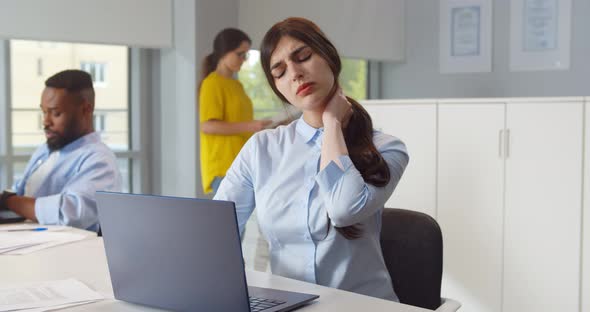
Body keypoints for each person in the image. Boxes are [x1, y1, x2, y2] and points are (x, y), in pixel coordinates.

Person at [214, 18, 409, 301]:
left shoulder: (387, 148)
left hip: (361, 306)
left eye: (303, 56)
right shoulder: (262, 148)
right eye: (279, 72)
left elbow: (343, 208)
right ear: (278, 87)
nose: (294, 74)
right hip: (287, 304)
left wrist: (331, 124)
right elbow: (217, 229)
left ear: (328, 56)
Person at [0, 70, 122, 232]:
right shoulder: (45, 150)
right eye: (44, 112)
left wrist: (8, 200)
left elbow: (69, 213)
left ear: (86, 109)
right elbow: (20, 191)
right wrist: (8, 197)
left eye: (56, 113)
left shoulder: (99, 160)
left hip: (70, 254)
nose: (46, 122)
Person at [199, 28, 272, 194]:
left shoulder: (236, 85)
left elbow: (241, 122)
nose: (243, 59)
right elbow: (208, 127)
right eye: (240, 54)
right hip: (223, 167)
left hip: (241, 164)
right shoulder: (212, 84)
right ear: (224, 52)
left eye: (246, 55)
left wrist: (266, 125)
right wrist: (251, 126)